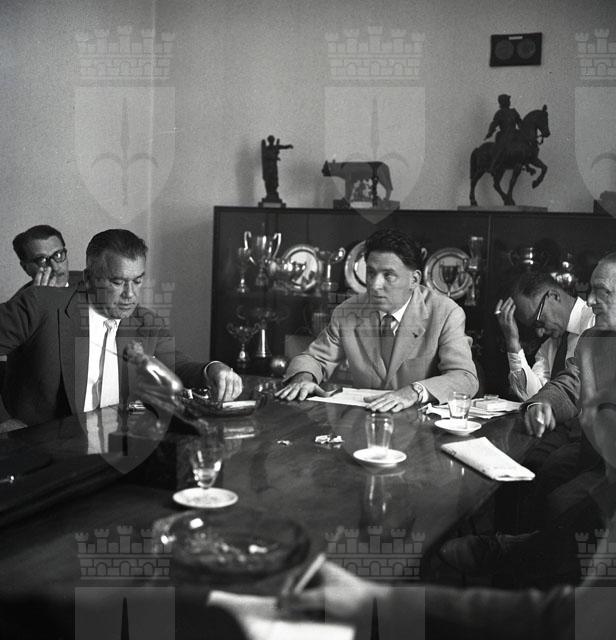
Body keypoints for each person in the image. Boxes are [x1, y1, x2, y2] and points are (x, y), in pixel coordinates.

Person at [0, 228, 242, 426]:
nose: (130, 294)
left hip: (115, 447)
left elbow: (178, 366)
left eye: (137, 281)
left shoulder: (147, 322)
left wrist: (213, 369)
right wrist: (4, 422)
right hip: (43, 450)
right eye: (117, 282)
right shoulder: (39, 304)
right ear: (89, 278)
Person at [275, 228, 478, 412]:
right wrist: (304, 378)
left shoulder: (446, 313)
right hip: (365, 423)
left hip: (421, 426)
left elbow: (464, 377)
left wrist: (413, 391)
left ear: (414, 280)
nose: (375, 285)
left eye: (388, 275)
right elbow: (315, 358)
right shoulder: (348, 311)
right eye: (371, 273)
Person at [495, 271, 595, 401]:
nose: (539, 333)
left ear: (554, 296)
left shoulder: (597, 323)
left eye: (539, 322)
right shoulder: (549, 347)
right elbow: (533, 398)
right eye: (534, 327)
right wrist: (513, 343)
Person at [11, 224, 71, 290]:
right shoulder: (23, 297)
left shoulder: (80, 279)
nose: (55, 268)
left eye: (58, 255)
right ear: (26, 268)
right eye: (42, 260)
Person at [485, 93, 522, 173]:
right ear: (503, 102)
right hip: (504, 134)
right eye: (508, 100)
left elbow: (519, 121)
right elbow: (494, 123)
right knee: (501, 148)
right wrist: (490, 131)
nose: (509, 102)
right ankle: (493, 165)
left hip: (514, 133)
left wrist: (523, 128)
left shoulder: (513, 111)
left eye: (509, 100)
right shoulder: (499, 113)